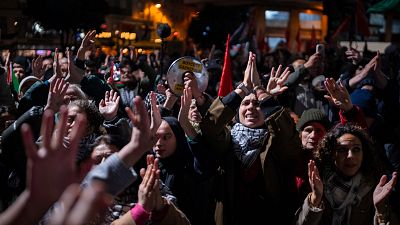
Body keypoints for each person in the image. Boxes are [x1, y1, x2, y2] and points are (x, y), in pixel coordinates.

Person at [296, 123, 399, 225]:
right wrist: (315, 199)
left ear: (364, 155)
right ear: (332, 155)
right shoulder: (317, 183)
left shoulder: (374, 186)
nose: (350, 156)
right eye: (342, 150)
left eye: (356, 149)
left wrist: (381, 211)